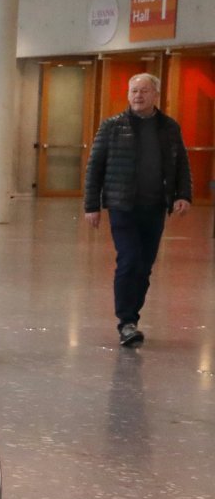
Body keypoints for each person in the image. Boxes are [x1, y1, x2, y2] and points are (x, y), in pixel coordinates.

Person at [82, 72, 193, 346]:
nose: (138, 96)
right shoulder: (112, 126)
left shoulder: (169, 127)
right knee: (130, 259)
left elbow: (181, 163)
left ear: (155, 95)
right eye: (133, 91)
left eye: (144, 91)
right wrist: (92, 205)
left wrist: (183, 195)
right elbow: (95, 167)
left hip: (155, 207)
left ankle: (132, 318)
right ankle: (126, 321)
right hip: (122, 205)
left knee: (144, 265)